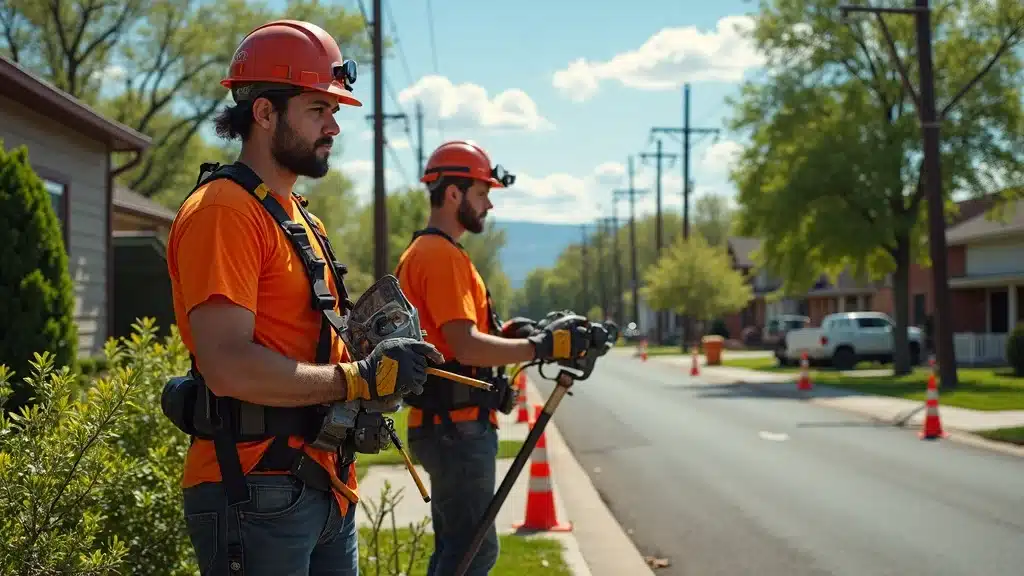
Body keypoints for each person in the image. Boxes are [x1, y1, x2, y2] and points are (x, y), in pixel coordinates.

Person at [165, 19, 441, 576]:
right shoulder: (225, 212)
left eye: (334, 111)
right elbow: (228, 367)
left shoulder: (297, 215)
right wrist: (357, 378)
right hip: (255, 489)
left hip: (323, 485)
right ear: (264, 112)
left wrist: (381, 357)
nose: (334, 126)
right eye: (319, 109)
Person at [394, 140, 586, 575]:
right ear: (453, 194)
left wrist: (507, 335)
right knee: (472, 554)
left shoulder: (432, 251)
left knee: (455, 550)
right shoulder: (440, 255)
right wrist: (541, 347)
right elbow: (464, 346)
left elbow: (460, 339)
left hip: (447, 427)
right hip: (456, 429)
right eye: (482, 194)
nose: (489, 206)